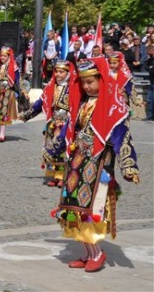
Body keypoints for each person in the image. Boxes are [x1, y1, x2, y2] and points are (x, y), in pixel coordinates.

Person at [52, 57, 139, 272]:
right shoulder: (81, 103)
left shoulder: (113, 107)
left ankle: (98, 252)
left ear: (101, 80)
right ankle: (87, 252)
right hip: (77, 164)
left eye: (91, 82)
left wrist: (128, 166)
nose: (86, 86)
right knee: (73, 210)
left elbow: (123, 137)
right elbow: (71, 128)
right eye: (83, 82)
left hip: (99, 165)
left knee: (92, 209)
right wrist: (55, 146)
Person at [19, 60, 79, 187]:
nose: (58, 74)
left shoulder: (74, 88)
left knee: (63, 150)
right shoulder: (51, 87)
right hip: (53, 123)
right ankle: (52, 175)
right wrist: (26, 115)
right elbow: (40, 104)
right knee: (51, 148)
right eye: (56, 71)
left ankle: (63, 176)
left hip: (66, 123)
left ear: (68, 73)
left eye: (61, 72)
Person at [144, 45, 154, 121]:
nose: (148, 52)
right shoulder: (150, 59)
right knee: (150, 99)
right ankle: (150, 116)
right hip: (152, 81)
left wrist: (151, 68)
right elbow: (146, 67)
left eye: (149, 50)